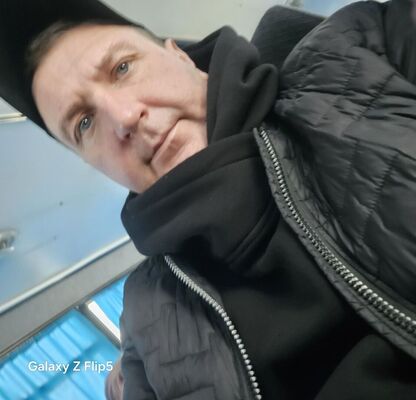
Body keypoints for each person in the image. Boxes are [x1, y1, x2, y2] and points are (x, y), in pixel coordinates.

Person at [0, 0, 415, 399]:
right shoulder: (146, 325)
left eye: (122, 67)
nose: (124, 118)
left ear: (179, 55)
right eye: (84, 123)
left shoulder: (355, 53)